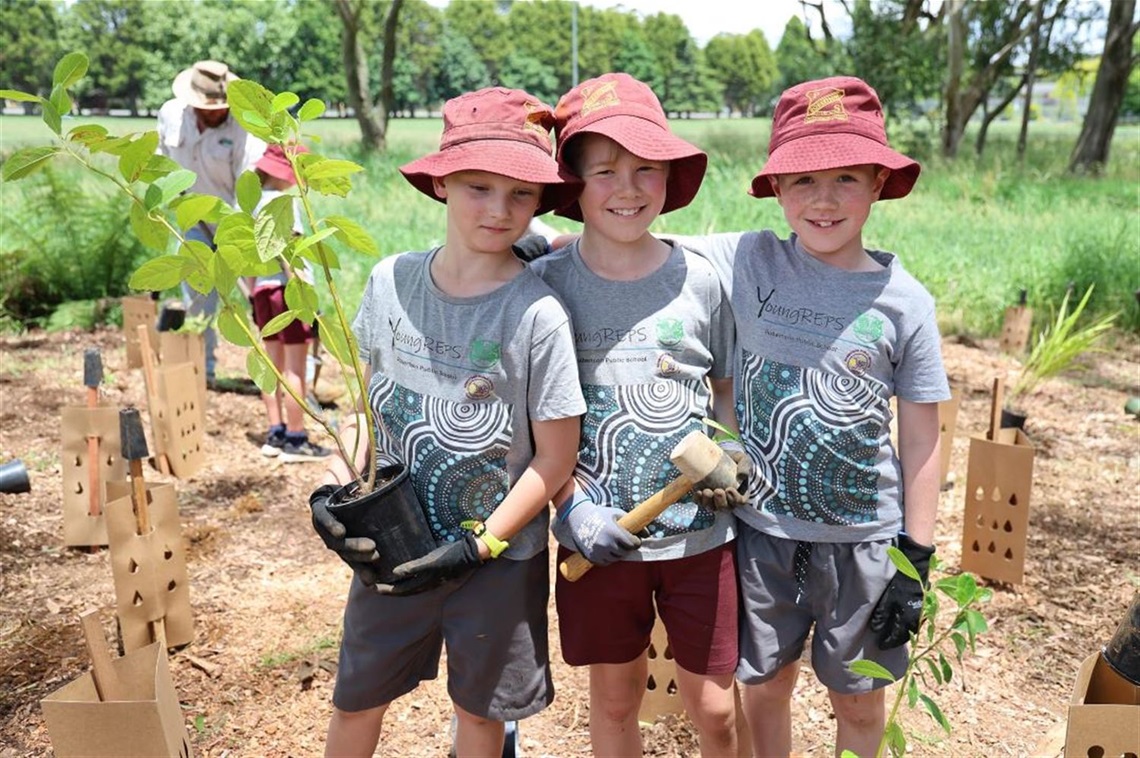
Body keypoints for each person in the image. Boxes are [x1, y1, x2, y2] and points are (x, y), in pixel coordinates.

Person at [670, 76, 950, 757]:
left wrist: (916, 555)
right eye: (802, 180)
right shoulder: (750, 259)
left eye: (846, 178)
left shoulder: (904, 302)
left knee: (858, 702)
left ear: (880, 182)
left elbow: (922, 438)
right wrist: (536, 246)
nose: (823, 200)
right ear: (776, 189)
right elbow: (643, 247)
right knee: (765, 690)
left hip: (867, 543)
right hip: (764, 534)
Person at [306, 87, 585, 758]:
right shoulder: (389, 284)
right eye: (478, 187)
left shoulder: (537, 315)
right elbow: (367, 417)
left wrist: (481, 543)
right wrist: (333, 495)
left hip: (497, 563)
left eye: (520, 194)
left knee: (482, 715)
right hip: (394, 547)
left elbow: (554, 459)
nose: (499, 210)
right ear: (441, 182)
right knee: (357, 695)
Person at [529, 72, 748, 757]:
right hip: (596, 537)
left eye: (645, 169)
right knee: (616, 697)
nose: (628, 188)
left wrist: (731, 452)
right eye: (606, 171)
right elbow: (536, 422)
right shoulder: (547, 289)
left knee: (714, 708)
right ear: (574, 184)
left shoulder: (700, 280)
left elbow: (722, 392)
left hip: (699, 539)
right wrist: (569, 507)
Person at [157, 60, 267, 386]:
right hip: (192, 220)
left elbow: (249, 189)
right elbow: (161, 162)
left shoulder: (243, 130)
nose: (216, 112)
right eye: (209, 107)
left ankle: (283, 371)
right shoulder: (170, 115)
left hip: (237, 224)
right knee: (198, 299)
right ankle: (200, 373)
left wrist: (236, 239)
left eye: (221, 107)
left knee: (262, 296)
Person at [245, 142, 330, 463]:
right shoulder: (282, 201)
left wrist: (251, 293)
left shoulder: (252, 203)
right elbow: (287, 250)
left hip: (261, 292)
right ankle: (296, 438)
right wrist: (305, 294)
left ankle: (275, 432)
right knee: (296, 367)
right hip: (287, 290)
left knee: (272, 366)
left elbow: (247, 256)